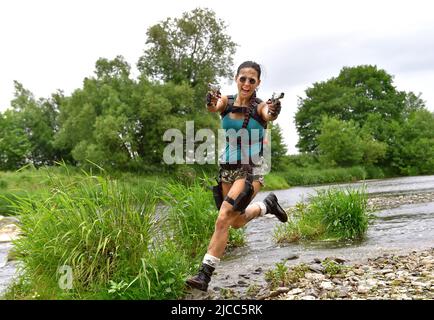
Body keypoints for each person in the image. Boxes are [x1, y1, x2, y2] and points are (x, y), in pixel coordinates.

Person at [186, 61, 288, 291]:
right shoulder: (227, 102)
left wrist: (273, 109)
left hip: (251, 168)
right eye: (243, 78)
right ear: (236, 78)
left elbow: (269, 114)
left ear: (258, 83)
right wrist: (211, 101)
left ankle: (204, 274)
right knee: (236, 222)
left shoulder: (261, 107)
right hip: (228, 167)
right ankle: (267, 206)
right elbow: (214, 106)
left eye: (252, 80)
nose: (246, 83)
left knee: (223, 216)